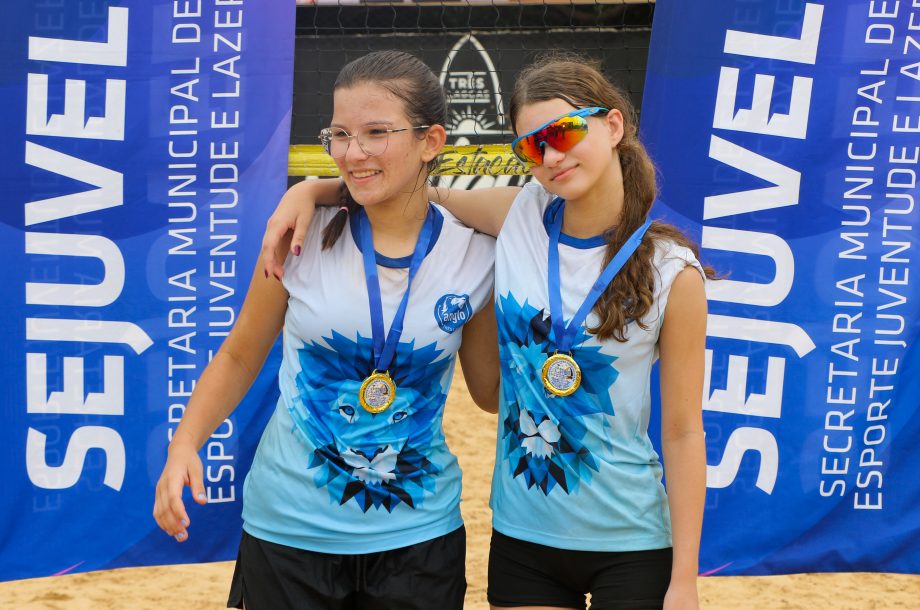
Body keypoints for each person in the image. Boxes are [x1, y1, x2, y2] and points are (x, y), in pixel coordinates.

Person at [263, 55, 711, 610]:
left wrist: (685, 578)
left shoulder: (673, 271)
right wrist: (309, 191)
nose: (550, 155)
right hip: (524, 539)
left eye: (564, 131)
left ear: (613, 125)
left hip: (632, 539)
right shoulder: (519, 215)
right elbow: (409, 194)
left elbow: (685, 433)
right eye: (531, 146)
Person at [152, 50, 500, 610]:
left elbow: (490, 392)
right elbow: (240, 355)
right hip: (288, 534)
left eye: (375, 133)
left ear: (432, 141)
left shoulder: (475, 252)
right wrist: (184, 445)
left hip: (418, 540)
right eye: (339, 134)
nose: (351, 153)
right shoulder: (299, 236)